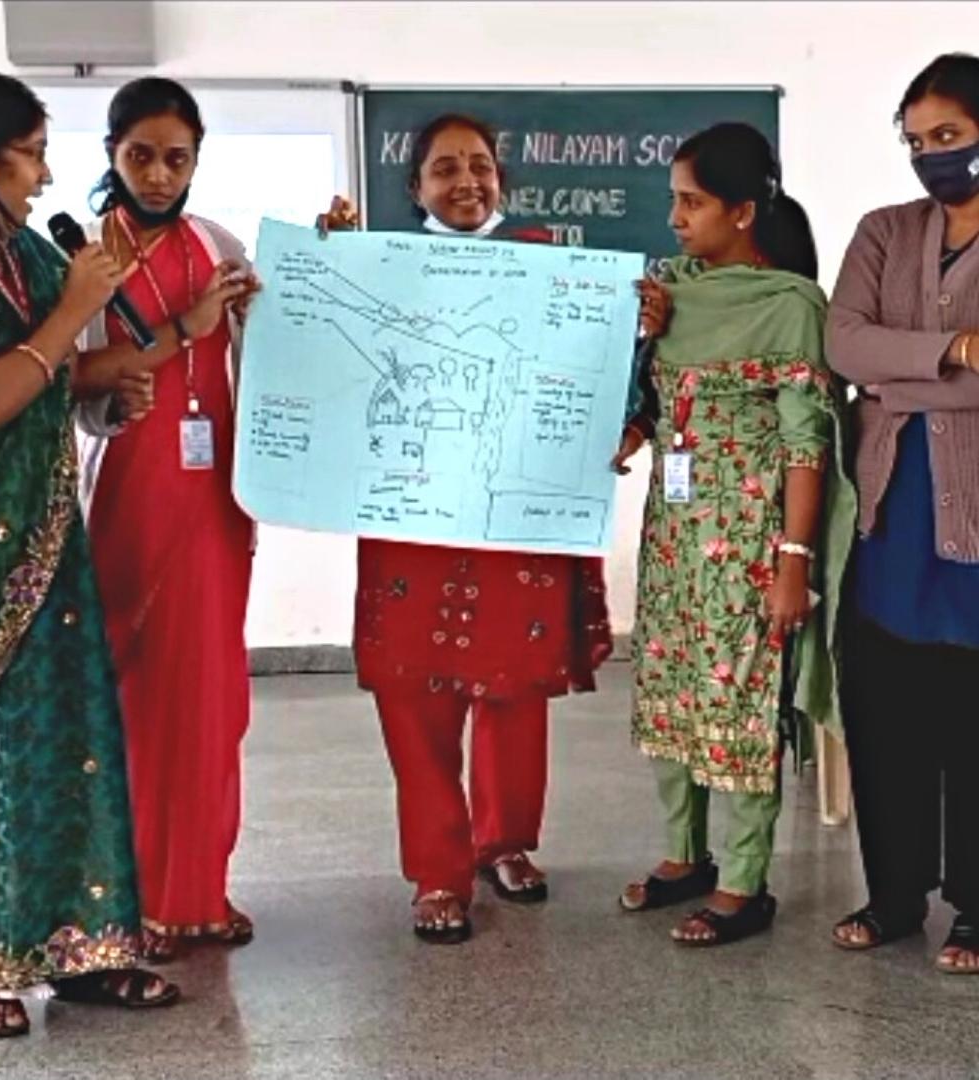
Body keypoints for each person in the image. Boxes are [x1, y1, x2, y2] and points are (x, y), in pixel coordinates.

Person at [0, 69, 177, 1039]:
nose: (44, 177)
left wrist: (111, 376)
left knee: (66, 741)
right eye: (29, 156)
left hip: (46, 540)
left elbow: (53, 376)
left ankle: (83, 949)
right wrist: (74, 320)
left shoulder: (18, 250)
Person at [318, 114, 614, 944]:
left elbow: (590, 373)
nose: (465, 183)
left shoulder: (551, 265)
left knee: (514, 685)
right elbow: (326, 359)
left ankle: (505, 843)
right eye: (444, 169)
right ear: (414, 188)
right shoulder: (379, 269)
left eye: (480, 167)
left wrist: (640, 322)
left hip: (511, 514)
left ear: (502, 181)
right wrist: (328, 265)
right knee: (416, 693)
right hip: (410, 513)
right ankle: (437, 873)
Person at [613, 122, 853, 946]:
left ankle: (747, 882)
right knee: (673, 690)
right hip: (674, 539)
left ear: (743, 211)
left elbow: (804, 444)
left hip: (749, 546)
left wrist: (793, 563)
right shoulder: (670, 293)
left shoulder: (787, 307)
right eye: (674, 200)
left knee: (744, 703)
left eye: (693, 202)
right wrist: (638, 351)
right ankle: (686, 855)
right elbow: (648, 402)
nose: (676, 218)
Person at [72, 78, 258, 964]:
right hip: (127, 493)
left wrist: (295, 286)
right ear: (111, 151)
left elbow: (273, 356)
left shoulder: (216, 245)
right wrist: (182, 331)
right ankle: (131, 899)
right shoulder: (78, 259)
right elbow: (73, 383)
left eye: (176, 157)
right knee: (134, 696)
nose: (157, 173)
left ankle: (200, 892)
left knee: (212, 697)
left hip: (216, 494)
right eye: (140, 154)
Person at [827, 53, 979, 973]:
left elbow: (876, 368)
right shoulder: (885, 231)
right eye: (917, 141)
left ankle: (975, 907)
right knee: (886, 711)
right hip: (891, 520)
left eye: (951, 138)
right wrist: (960, 349)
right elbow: (844, 344)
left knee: (971, 720)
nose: (931, 158)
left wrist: (902, 376)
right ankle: (892, 895)